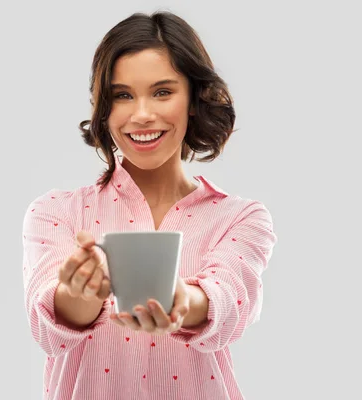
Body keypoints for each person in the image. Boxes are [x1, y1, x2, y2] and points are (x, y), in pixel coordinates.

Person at [22, 11, 278, 400]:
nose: (142, 114)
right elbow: (46, 330)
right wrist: (82, 293)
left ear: (194, 98)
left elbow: (229, 304)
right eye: (123, 95)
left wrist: (182, 302)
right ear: (104, 108)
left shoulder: (240, 218)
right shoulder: (56, 212)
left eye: (162, 92)